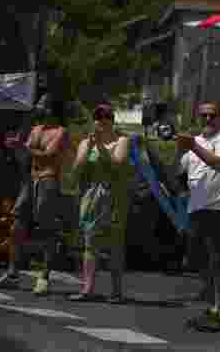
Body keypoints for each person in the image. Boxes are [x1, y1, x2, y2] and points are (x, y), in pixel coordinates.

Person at [0, 102, 70, 295]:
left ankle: (44, 277)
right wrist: (17, 147)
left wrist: (22, 147)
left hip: (48, 180)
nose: (40, 108)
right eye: (39, 105)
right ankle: (12, 274)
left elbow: (48, 156)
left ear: (53, 110)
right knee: (16, 226)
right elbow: (25, 156)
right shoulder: (35, 128)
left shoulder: (61, 132)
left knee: (47, 228)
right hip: (30, 179)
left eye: (44, 105)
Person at [175, 102, 220, 332]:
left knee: (219, 261)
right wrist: (180, 149)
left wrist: (192, 145)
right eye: (204, 116)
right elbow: (179, 172)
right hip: (197, 209)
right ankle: (211, 307)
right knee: (199, 261)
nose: (208, 119)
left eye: (213, 115)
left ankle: (219, 310)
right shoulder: (195, 141)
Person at [67, 101, 134, 303]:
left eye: (107, 117)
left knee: (115, 244)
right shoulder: (86, 142)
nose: (102, 121)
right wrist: (88, 148)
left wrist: (100, 147)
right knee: (90, 243)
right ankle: (87, 289)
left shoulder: (122, 140)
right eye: (98, 117)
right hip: (92, 194)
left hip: (114, 194)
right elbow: (77, 170)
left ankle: (116, 291)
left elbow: (117, 164)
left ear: (112, 121)